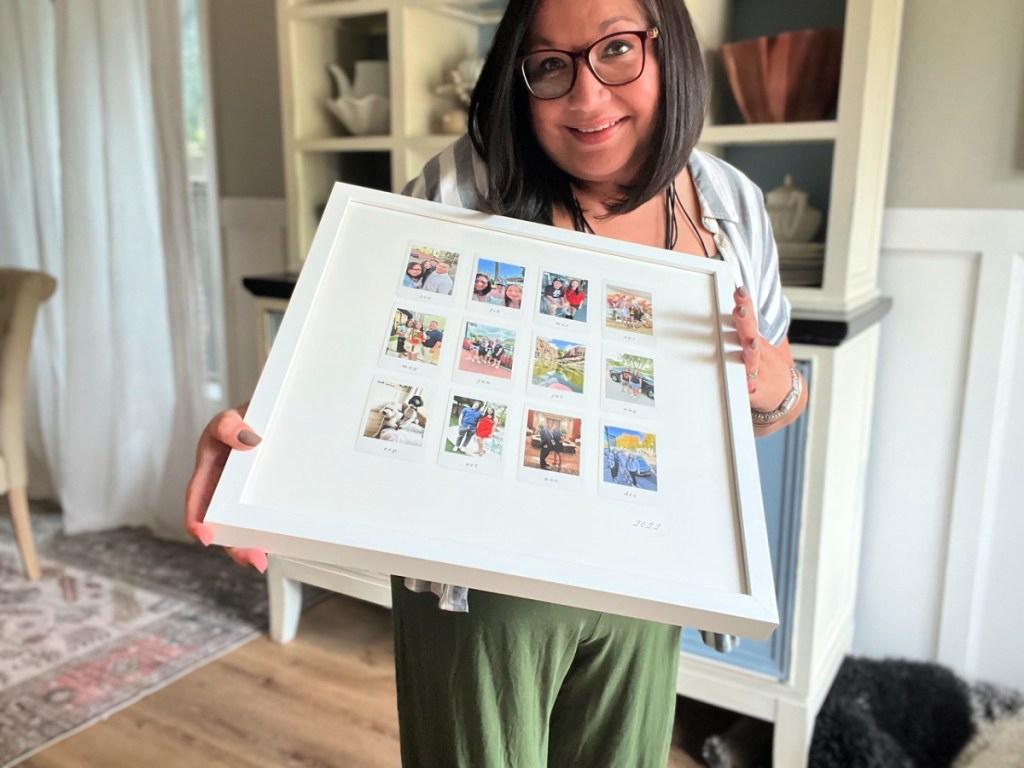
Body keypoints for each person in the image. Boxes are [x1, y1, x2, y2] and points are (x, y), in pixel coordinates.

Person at [185, 0, 808, 764]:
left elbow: (761, 413)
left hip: (645, 581)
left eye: (616, 49)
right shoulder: (453, 192)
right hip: (478, 598)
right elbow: (363, 366)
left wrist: (779, 390)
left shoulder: (733, 208)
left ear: (667, 46)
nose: (585, 98)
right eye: (549, 65)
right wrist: (258, 442)